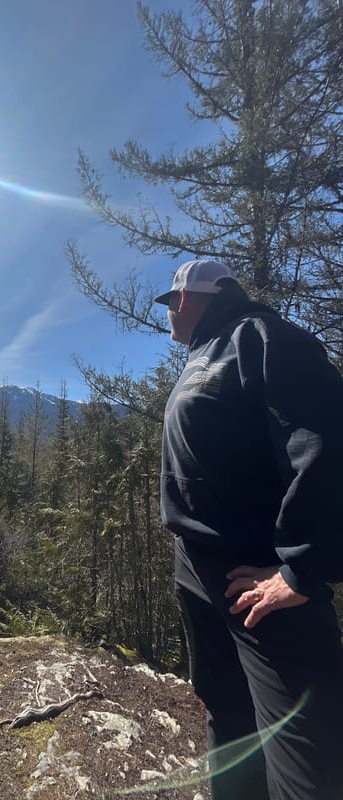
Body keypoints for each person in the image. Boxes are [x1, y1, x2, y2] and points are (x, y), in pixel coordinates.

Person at [154, 259, 343, 800]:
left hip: (257, 579)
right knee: (228, 712)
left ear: (189, 298)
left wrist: (302, 569)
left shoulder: (261, 335)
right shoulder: (203, 353)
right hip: (197, 566)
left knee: (308, 748)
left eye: (170, 303)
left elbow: (326, 442)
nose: (168, 314)